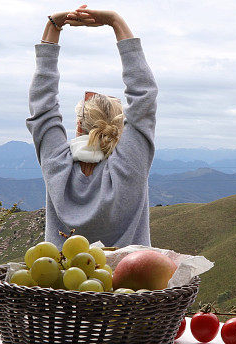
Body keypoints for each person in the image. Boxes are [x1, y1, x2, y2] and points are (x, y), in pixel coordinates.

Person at [26, 6, 158, 249]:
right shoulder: (130, 166)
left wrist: (53, 27)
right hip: (129, 286)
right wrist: (115, 21)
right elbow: (144, 97)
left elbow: (42, 107)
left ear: (78, 125)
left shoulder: (57, 163)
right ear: (120, 128)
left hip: (60, 286)